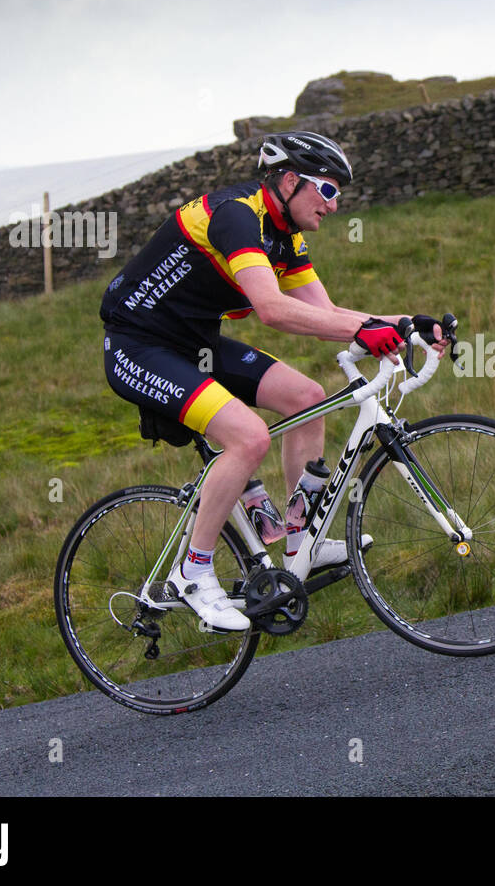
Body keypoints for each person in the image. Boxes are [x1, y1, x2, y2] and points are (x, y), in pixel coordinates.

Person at [99, 131, 449, 631]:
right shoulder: (237, 217)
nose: (334, 205)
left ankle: (299, 540)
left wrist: (407, 325)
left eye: (338, 195)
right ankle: (191, 573)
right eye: (327, 191)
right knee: (248, 437)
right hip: (140, 346)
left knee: (308, 398)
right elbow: (271, 309)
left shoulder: (285, 236)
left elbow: (325, 312)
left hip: (193, 341)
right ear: (289, 181)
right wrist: (369, 330)